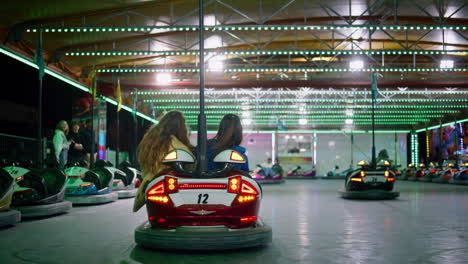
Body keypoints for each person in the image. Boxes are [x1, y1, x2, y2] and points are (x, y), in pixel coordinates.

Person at [133, 111, 194, 212]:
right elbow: (190, 164)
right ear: (181, 127)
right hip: (167, 187)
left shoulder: (151, 140)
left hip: (149, 183)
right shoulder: (175, 145)